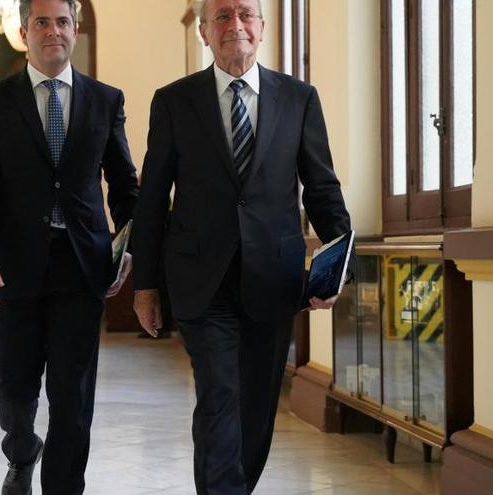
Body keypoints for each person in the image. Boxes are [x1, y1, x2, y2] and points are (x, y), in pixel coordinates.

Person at [131, 0, 353, 493]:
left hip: (272, 280)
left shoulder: (299, 99)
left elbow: (321, 188)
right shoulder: (173, 101)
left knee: (254, 407)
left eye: (245, 14)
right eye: (223, 17)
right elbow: (151, 200)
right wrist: (145, 284)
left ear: (262, 26)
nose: (236, 26)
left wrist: (340, 264)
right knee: (219, 397)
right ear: (204, 33)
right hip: (199, 281)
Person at [0, 0, 139, 493]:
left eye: (62, 21)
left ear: (75, 29)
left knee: (72, 395)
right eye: (41, 22)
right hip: (12, 268)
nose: (53, 31)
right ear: (23, 31)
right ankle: (21, 450)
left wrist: (128, 248)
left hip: (83, 268)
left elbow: (126, 188)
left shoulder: (105, 100)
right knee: (14, 391)